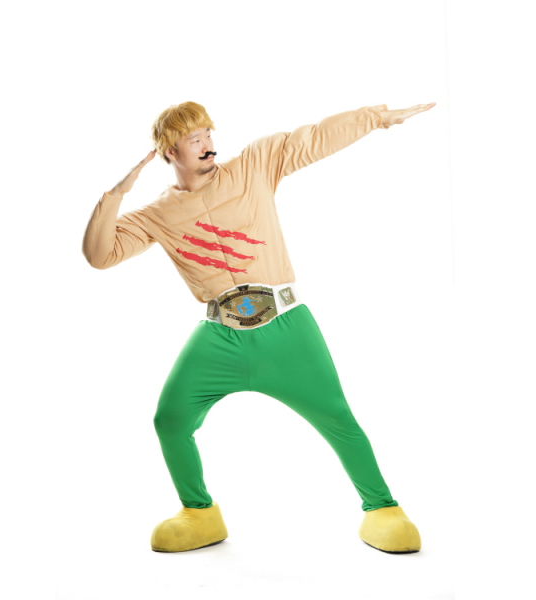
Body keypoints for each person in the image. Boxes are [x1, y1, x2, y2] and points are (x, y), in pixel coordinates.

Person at [82, 100, 436, 554]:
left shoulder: (253, 165)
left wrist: (377, 117)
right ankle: (199, 513)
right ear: (170, 151)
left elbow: (312, 138)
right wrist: (115, 195)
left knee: (338, 419)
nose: (208, 145)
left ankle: (382, 508)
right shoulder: (157, 215)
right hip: (220, 337)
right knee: (170, 419)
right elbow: (100, 255)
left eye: (209, 133)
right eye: (194, 139)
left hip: (286, 328)